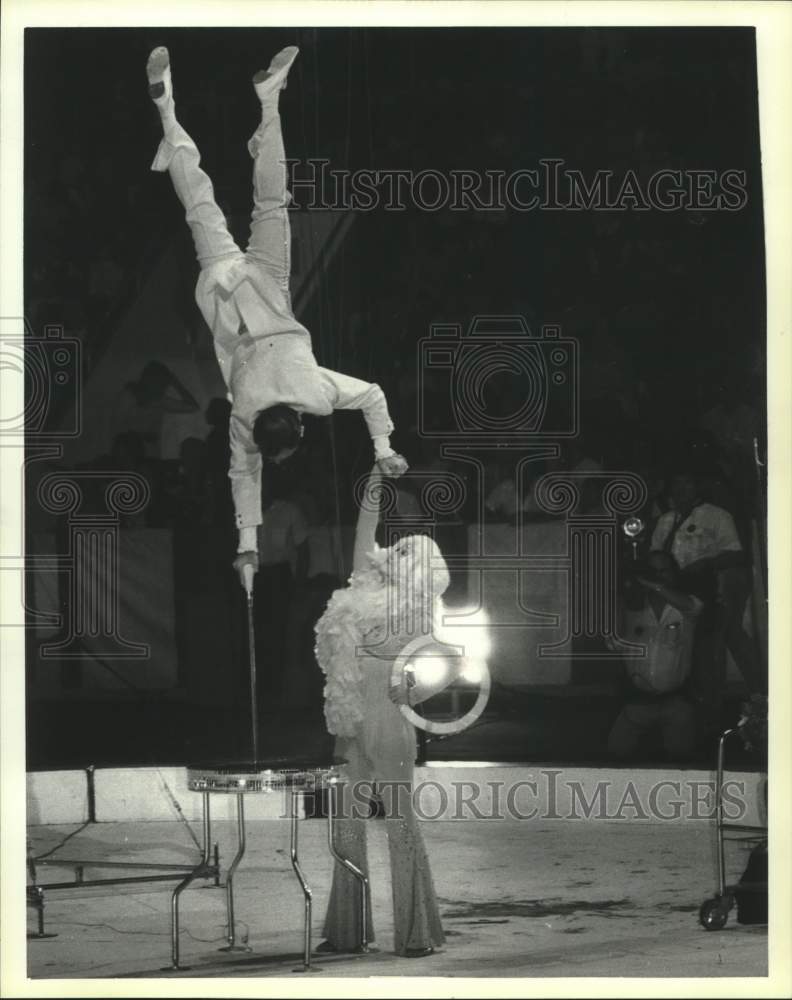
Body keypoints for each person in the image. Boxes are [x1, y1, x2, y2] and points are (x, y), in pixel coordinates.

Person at [146, 46, 407, 586]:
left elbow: (374, 395)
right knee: (201, 206)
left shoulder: (314, 393)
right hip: (231, 291)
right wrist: (246, 546)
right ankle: (170, 111)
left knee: (270, 202)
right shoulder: (243, 420)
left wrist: (385, 448)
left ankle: (267, 105)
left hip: (266, 286)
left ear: (299, 429)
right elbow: (244, 475)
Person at [314, 468, 449, 958]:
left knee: (399, 826)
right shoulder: (362, 588)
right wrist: (373, 474)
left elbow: (452, 664)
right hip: (351, 724)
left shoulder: (418, 609)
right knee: (346, 826)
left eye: (406, 552)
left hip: (390, 724)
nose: (393, 552)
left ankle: (417, 933)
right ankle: (347, 931)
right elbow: (363, 532)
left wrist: (410, 693)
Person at [650, 469, 764, 711]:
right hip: (679, 590)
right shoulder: (665, 520)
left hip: (712, 584)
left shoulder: (717, 516)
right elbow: (655, 556)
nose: (683, 489)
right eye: (677, 484)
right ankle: (695, 702)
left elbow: (736, 553)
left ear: (697, 488)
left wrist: (706, 564)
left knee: (716, 642)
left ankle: (746, 698)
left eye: (688, 483)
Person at [607, 552, 702, 760]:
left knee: (682, 766)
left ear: (674, 574)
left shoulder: (685, 607)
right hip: (637, 703)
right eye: (652, 572)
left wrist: (654, 584)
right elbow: (614, 644)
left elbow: (693, 607)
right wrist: (621, 598)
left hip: (676, 703)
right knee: (615, 758)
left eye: (663, 571)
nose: (658, 576)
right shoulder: (632, 607)